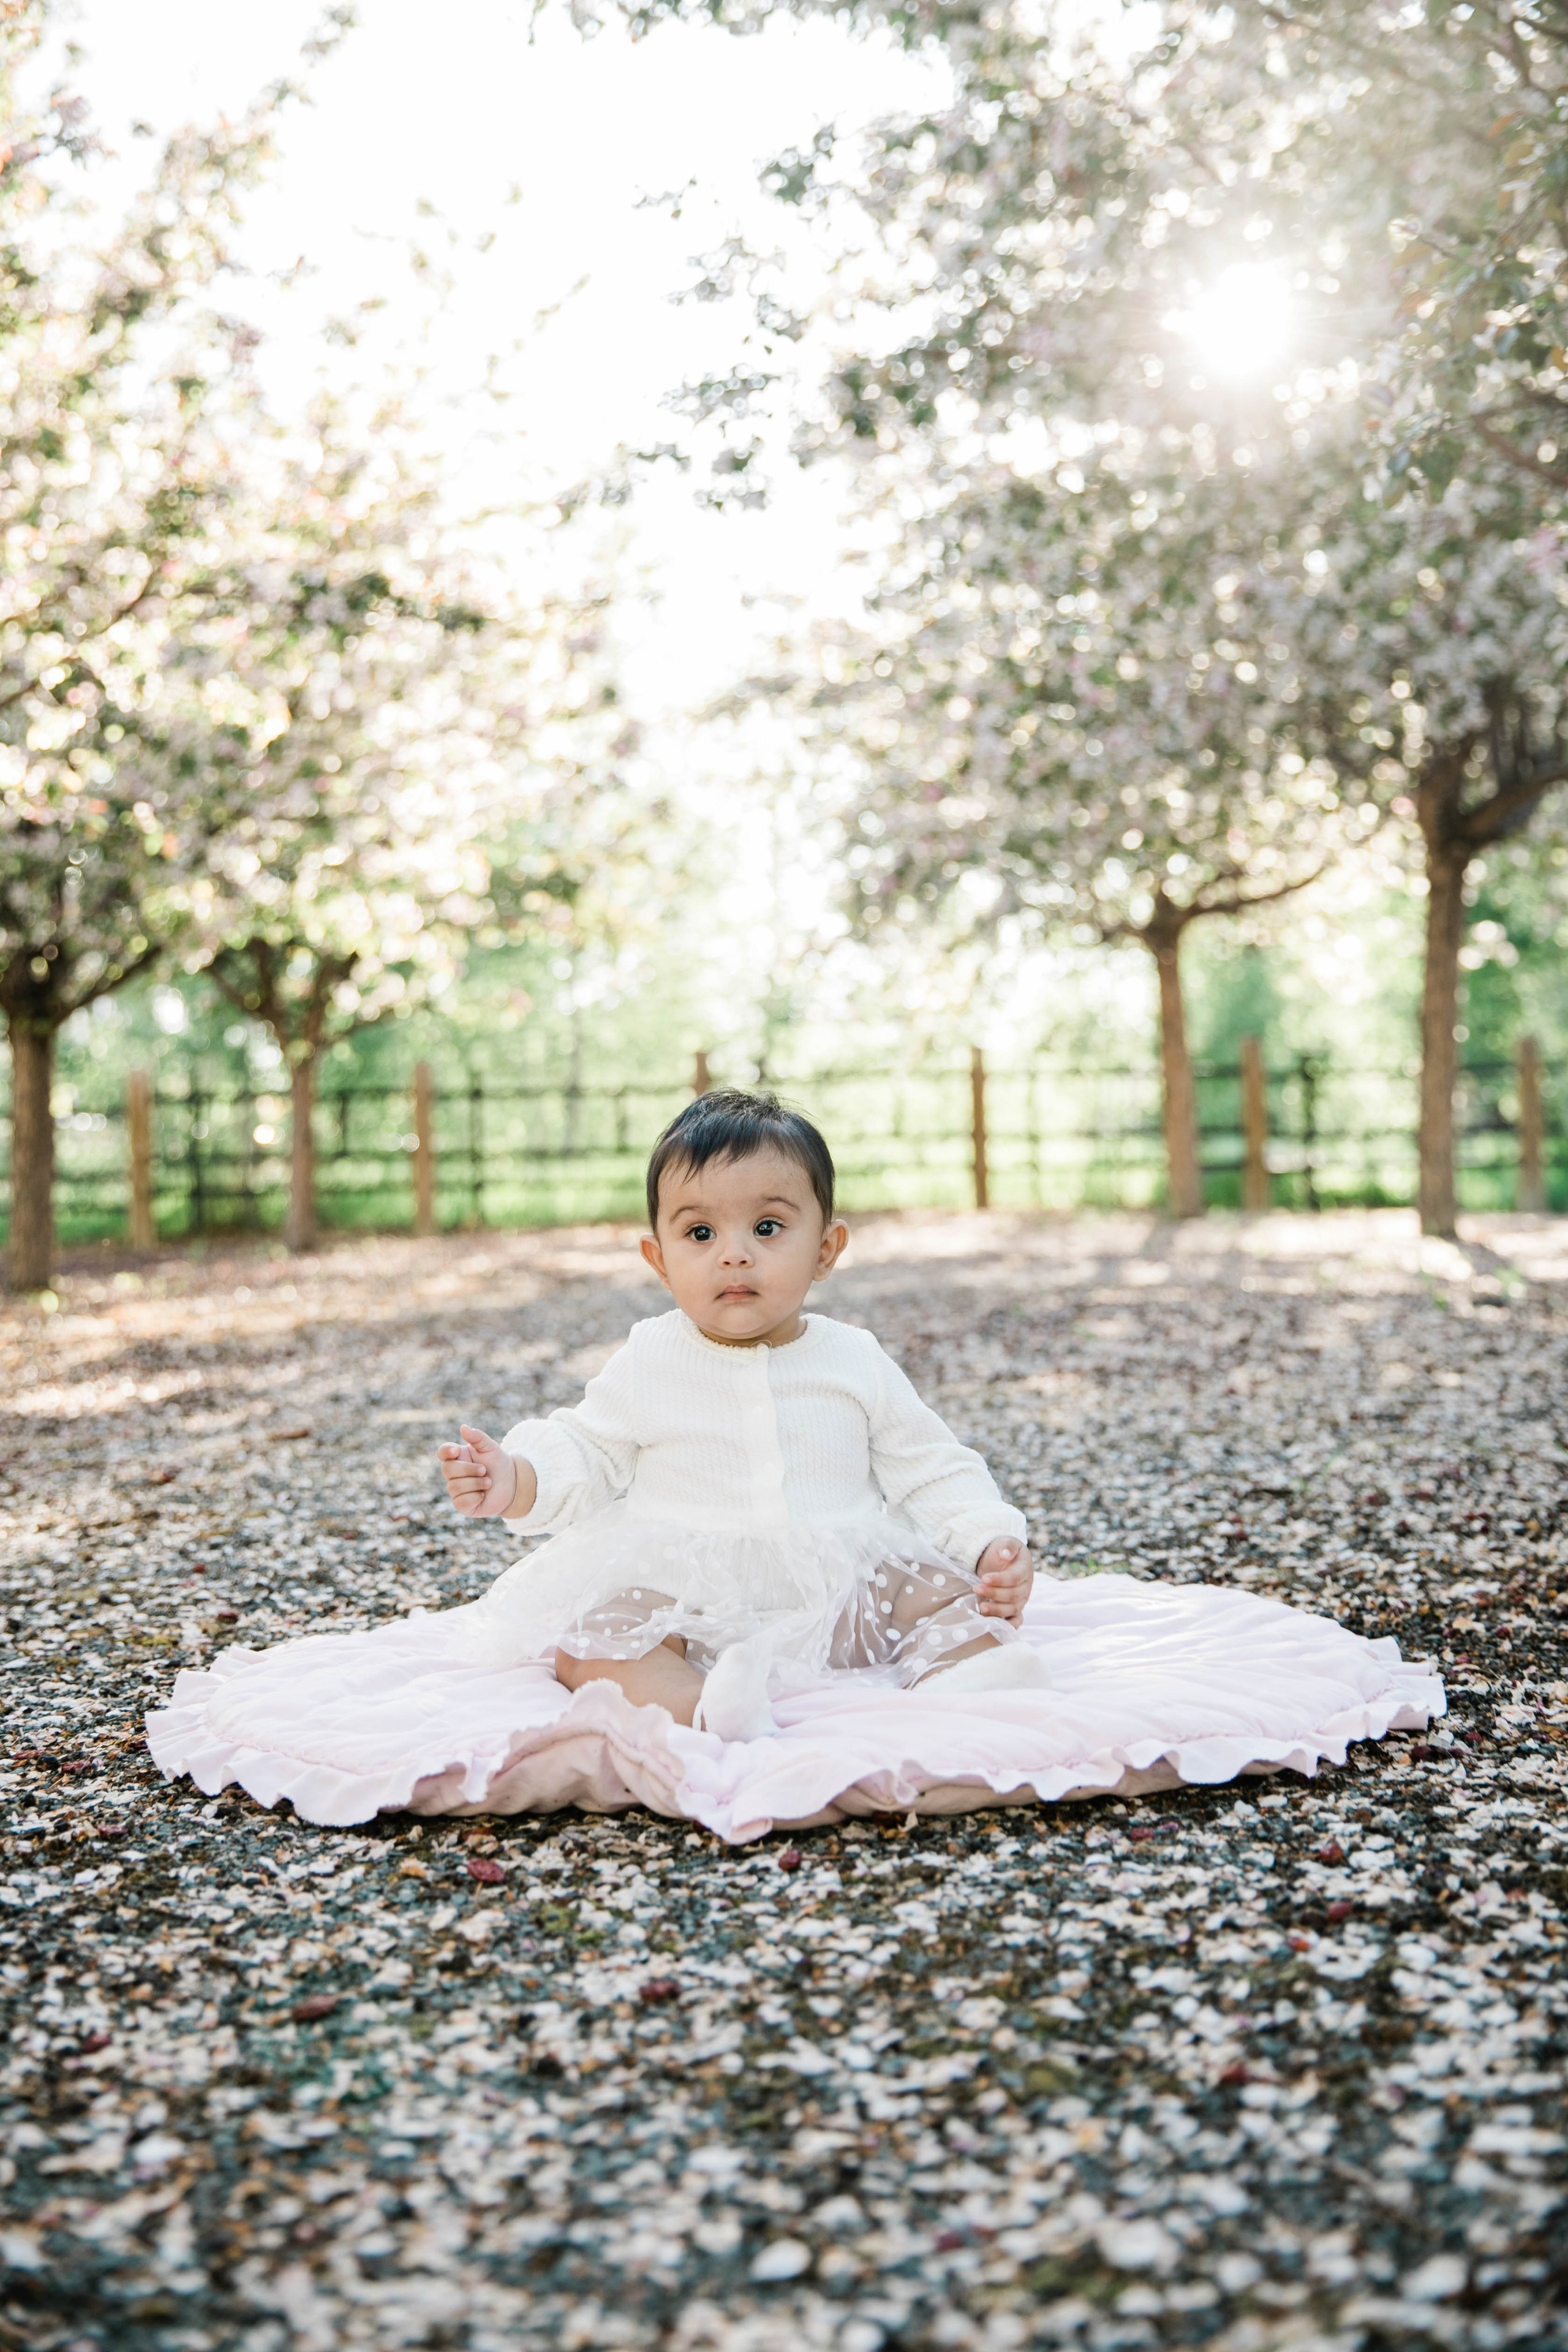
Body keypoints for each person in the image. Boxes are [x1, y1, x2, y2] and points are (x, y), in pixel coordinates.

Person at [434, 1088, 1052, 1741]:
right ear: (660, 1261)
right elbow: (587, 1450)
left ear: (825, 1249)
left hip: (841, 1599)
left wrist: (988, 1543)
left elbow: (930, 1466)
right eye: (700, 1233)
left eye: (767, 1228)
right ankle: (709, 1707)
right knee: (593, 1644)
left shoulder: (853, 1359)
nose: (734, 1254)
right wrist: (515, 1478)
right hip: (687, 1605)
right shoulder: (651, 1358)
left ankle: (967, 1675)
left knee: (942, 1592)